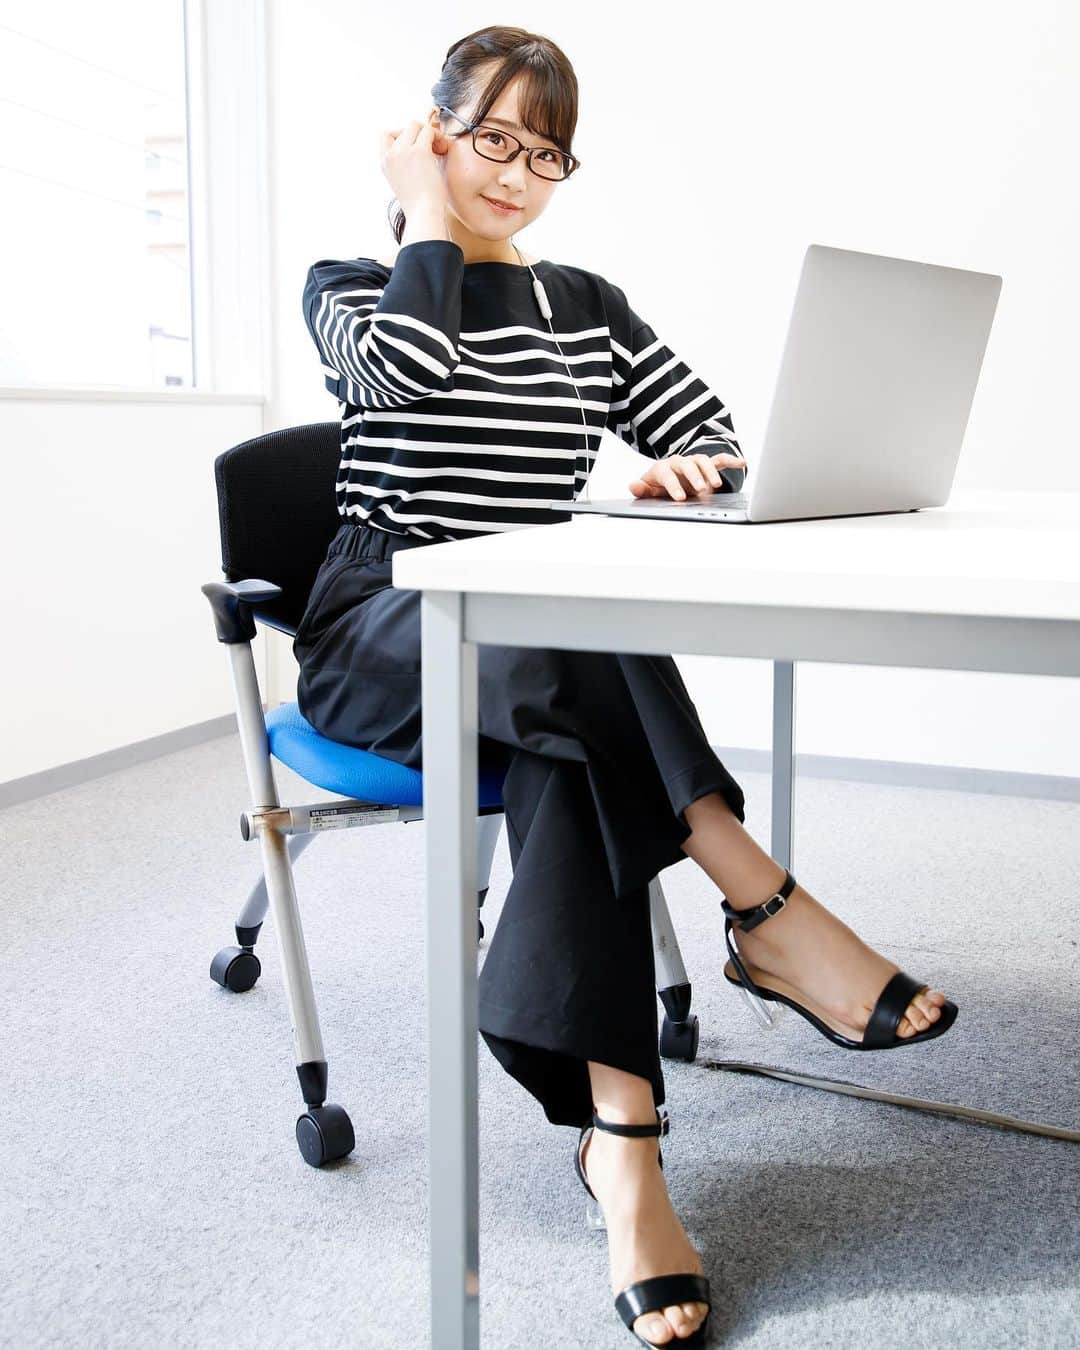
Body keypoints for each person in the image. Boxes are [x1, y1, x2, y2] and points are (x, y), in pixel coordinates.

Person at [293, 25, 957, 1348]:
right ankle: (756, 893)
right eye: (492, 141)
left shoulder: (583, 304)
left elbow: (710, 425)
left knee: (569, 716)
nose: (519, 177)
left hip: (535, 653)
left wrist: (681, 471)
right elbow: (403, 381)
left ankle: (626, 1152)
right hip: (381, 619)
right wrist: (427, 215)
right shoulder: (356, 282)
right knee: (574, 641)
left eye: (545, 155)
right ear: (431, 133)